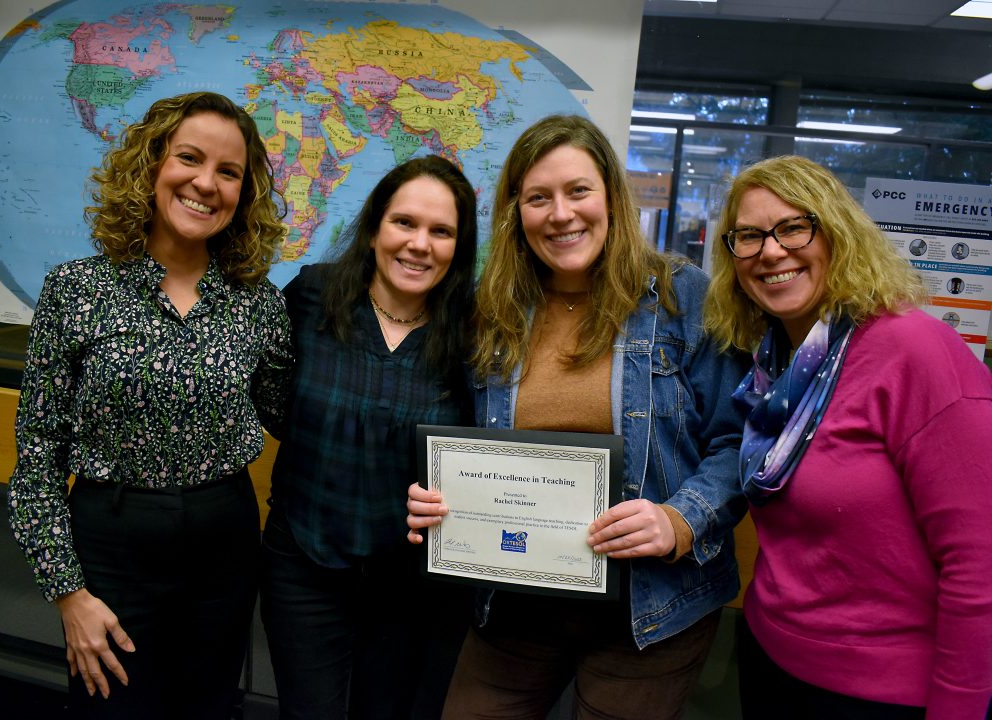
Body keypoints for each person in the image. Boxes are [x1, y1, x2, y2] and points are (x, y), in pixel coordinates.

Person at [407, 114, 748, 719]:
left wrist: (680, 519)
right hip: (513, 601)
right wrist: (438, 497)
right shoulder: (492, 310)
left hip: (650, 611)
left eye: (578, 191)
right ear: (518, 213)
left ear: (612, 198)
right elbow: (464, 440)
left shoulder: (683, 296)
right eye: (538, 198)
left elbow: (737, 441)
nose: (560, 214)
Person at [7, 91, 293, 719]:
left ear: (244, 194)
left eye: (229, 172)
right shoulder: (77, 289)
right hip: (110, 544)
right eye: (189, 158)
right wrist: (68, 593)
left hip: (224, 540)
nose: (206, 183)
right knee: (114, 709)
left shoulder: (258, 303)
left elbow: (296, 420)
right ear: (150, 165)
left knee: (211, 708)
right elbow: (37, 458)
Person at [704, 155, 992, 719]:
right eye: (748, 236)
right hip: (769, 658)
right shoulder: (774, 363)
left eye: (793, 228)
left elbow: (979, 564)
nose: (770, 251)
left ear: (839, 235)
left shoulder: (917, 352)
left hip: (881, 693)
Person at [260, 155, 478, 719]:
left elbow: (487, 451)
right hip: (304, 561)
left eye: (442, 231)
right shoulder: (312, 296)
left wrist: (465, 499)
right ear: (376, 226)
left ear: (460, 246)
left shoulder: (475, 333)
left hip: (414, 587)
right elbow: (273, 401)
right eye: (404, 222)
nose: (419, 244)